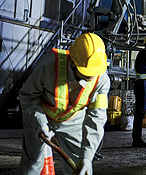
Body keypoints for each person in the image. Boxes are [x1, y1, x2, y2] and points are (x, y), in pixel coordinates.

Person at [19, 33, 110, 174]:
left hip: (72, 120)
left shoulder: (102, 80)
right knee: (33, 163)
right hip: (41, 115)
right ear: (72, 62)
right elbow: (28, 97)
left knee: (82, 168)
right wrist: (40, 123)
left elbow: (96, 118)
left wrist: (87, 157)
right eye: (85, 74)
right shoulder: (47, 65)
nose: (91, 78)